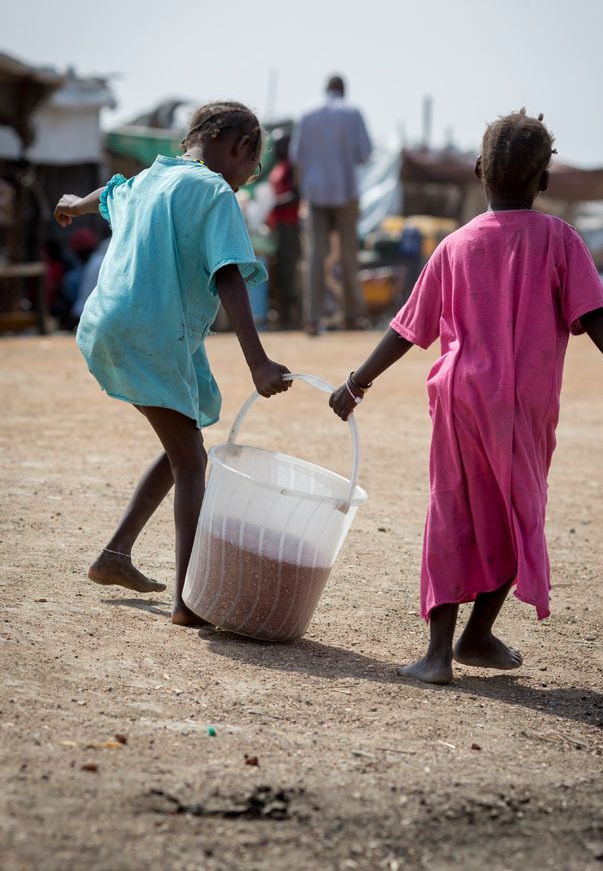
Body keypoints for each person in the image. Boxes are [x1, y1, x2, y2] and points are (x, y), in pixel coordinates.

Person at [329, 109, 603, 684]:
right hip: (524, 405)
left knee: (451, 511)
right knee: (518, 511)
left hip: (461, 399)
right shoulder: (560, 239)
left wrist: (357, 381)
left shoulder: (455, 245)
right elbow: (596, 316)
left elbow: (406, 330)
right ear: (545, 181)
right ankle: (477, 634)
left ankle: (438, 653)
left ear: (479, 170)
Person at [54, 101, 292, 626]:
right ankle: (187, 600)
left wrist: (73, 202)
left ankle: (115, 555)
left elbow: (107, 194)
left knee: (183, 444)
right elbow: (230, 275)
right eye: (253, 165)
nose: (251, 176)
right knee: (191, 461)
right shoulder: (214, 193)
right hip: (152, 333)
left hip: (110, 324)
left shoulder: (150, 179)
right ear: (239, 149)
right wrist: (258, 362)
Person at [290, 75, 372, 335]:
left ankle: (312, 319)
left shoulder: (306, 113)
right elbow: (365, 153)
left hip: (314, 193)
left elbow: (295, 156)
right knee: (349, 255)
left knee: (315, 256)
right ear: (343, 90)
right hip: (346, 190)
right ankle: (351, 317)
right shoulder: (353, 113)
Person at [267, 130, 302, 329]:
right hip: (278, 225)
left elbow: (297, 195)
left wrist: (275, 204)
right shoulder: (278, 167)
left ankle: (291, 319)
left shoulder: (292, 168)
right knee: (279, 270)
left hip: (290, 225)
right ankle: (283, 316)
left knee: (289, 270)